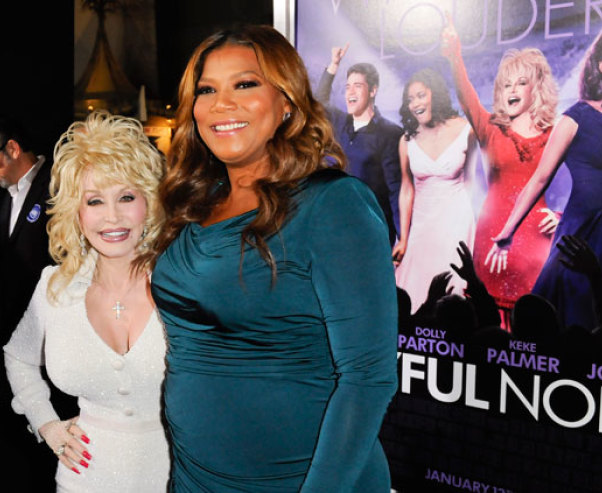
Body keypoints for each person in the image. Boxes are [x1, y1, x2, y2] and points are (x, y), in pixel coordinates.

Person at [151, 25, 398, 492]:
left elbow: (368, 379)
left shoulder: (334, 205)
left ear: (286, 102)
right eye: (207, 90)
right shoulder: (193, 203)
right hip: (195, 480)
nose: (222, 104)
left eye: (245, 84)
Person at [3, 111, 169, 492]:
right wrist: (46, 422)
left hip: (179, 479)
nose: (112, 217)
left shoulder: (179, 283)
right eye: (94, 201)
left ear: (150, 202)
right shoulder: (56, 288)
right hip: (82, 482)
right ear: (77, 214)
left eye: (126, 196)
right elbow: (18, 357)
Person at [490, 23, 602, 332]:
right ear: (601, 64)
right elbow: (540, 178)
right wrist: (508, 231)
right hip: (586, 234)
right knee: (575, 323)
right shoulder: (578, 117)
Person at [0, 116, 76, 492]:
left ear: (13, 148)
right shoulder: (7, 199)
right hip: (16, 340)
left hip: (54, 340)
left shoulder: (59, 185)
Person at [441, 17, 560, 321]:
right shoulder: (490, 128)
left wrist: (562, 215)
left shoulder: (555, 133)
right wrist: (455, 54)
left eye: (521, 82)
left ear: (538, 88)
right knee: (484, 326)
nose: (512, 89)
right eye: (506, 84)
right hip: (491, 236)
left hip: (535, 244)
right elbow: (465, 94)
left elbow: (593, 178)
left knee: (530, 328)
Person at [391, 68, 477, 310]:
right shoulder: (406, 140)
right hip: (421, 226)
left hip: (456, 222)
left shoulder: (466, 130)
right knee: (414, 292)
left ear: (435, 95)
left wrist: (469, 226)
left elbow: (471, 181)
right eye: (410, 99)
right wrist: (404, 237)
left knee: (452, 292)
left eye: (420, 95)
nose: (415, 103)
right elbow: (406, 189)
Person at [315, 43, 403, 243]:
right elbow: (318, 104)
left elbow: (395, 189)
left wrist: (402, 237)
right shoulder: (340, 123)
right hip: (337, 224)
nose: (350, 92)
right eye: (347, 87)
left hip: (372, 230)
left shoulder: (389, 133)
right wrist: (333, 65)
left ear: (373, 91)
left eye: (357, 86)